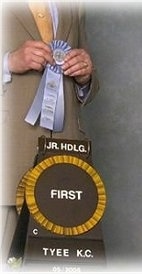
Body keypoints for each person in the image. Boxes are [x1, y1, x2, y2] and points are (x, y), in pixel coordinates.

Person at [1, 1, 99, 266]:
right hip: (9, 152)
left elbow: (89, 87)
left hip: (66, 156)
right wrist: (8, 61)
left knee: (60, 262)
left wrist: (85, 75)